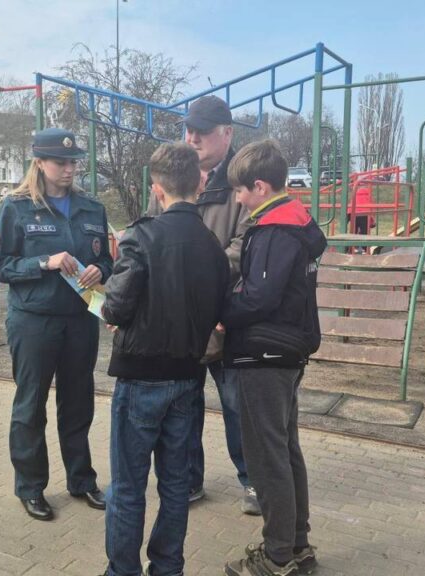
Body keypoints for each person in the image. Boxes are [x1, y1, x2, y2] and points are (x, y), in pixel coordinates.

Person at [100, 143, 229, 576]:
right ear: (199, 184)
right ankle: (168, 567)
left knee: (128, 486)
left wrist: (113, 313)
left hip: (140, 377)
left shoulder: (140, 236)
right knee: (175, 485)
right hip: (189, 379)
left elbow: (115, 307)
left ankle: (123, 570)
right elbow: (218, 309)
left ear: (157, 189)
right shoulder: (212, 246)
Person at [0, 127, 113, 521]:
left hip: (80, 320)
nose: (69, 169)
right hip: (34, 322)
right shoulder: (17, 207)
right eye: (61, 162)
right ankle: (31, 487)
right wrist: (45, 262)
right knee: (31, 405)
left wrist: (99, 269)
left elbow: (106, 260)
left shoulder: (91, 208)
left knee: (78, 403)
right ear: (39, 162)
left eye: (74, 162)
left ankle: (81, 480)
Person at [146, 95, 258, 514]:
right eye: (188, 130)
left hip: (226, 317)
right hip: (180, 318)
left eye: (202, 132)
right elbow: (153, 233)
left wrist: (193, 273)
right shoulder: (174, 176)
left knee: (237, 406)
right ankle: (187, 481)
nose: (192, 138)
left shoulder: (243, 180)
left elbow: (245, 247)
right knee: (183, 405)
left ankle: (254, 480)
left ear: (227, 133)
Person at [221, 140, 325, 576]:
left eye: (240, 191)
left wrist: (220, 314)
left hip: (264, 352)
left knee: (267, 457)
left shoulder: (272, 230)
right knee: (285, 448)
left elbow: (259, 297)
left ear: (260, 187)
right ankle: (297, 545)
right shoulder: (297, 221)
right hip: (288, 349)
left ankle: (277, 556)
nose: (238, 200)